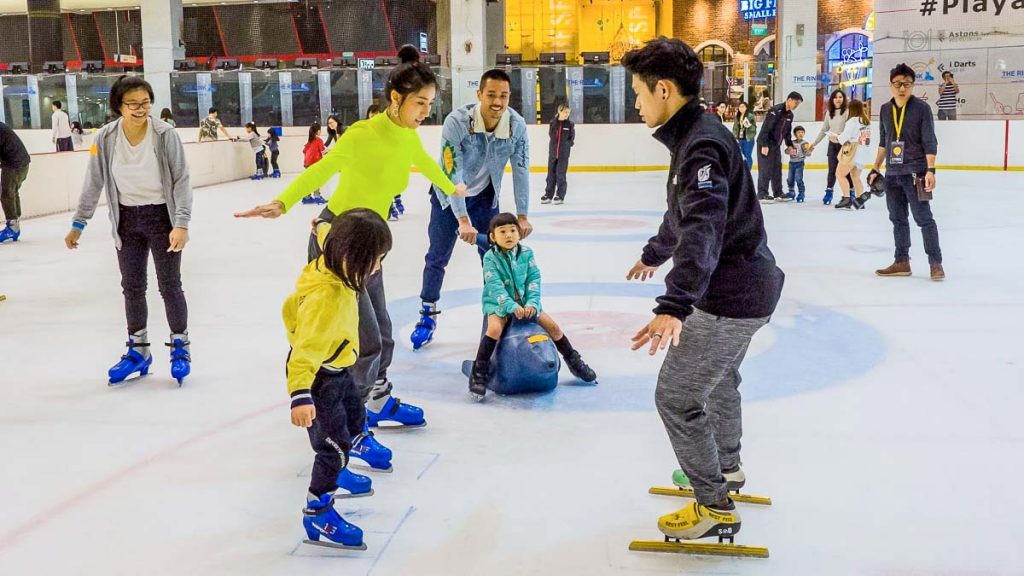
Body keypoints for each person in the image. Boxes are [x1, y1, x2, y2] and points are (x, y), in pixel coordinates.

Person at [235, 45, 467, 441]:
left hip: (368, 244)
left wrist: (452, 188)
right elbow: (323, 168)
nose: (426, 111)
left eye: (430, 103)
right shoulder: (363, 134)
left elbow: (426, 164)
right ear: (396, 99)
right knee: (358, 339)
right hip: (337, 240)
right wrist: (283, 201)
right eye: (420, 103)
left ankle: (375, 399)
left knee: (384, 334)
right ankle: (352, 423)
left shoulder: (408, 135)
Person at [621, 37, 784, 543]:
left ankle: (713, 504)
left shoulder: (702, 145)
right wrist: (654, 252)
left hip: (730, 296)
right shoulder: (695, 137)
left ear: (664, 89)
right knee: (719, 382)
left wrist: (675, 303)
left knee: (675, 396)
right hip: (745, 288)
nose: (636, 104)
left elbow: (705, 226)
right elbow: (684, 213)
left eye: (639, 94)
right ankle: (728, 469)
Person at [64, 76, 194, 386]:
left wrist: (181, 223)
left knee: (169, 285)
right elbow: (93, 182)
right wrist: (78, 224)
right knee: (132, 287)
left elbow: (182, 180)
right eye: (133, 104)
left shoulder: (165, 135)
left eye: (146, 103)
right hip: (125, 220)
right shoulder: (106, 138)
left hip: (162, 217)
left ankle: (180, 347)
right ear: (118, 106)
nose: (141, 109)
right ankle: (139, 351)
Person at [286, 208, 393, 551]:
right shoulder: (326, 298)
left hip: (338, 367)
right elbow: (304, 352)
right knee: (332, 449)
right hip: (317, 378)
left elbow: (325, 231)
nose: (378, 267)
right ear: (352, 256)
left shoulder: (335, 255)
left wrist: (320, 225)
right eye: (375, 259)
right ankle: (318, 509)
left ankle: (342, 468)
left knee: (356, 416)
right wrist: (300, 394)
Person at [409, 68, 532, 351]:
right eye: (491, 95)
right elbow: (453, 172)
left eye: (503, 96)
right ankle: (427, 315)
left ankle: (498, 313)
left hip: (486, 200)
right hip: (447, 198)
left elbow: (522, 170)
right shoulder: (458, 122)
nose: (497, 102)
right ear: (479, 95)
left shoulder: (516, 126)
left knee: (496, 258)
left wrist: (522, 215)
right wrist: (462, 219)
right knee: (437, 256)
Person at [468, 213, 597, 399]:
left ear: (519, 233)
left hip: (526, 303)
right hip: (498, 304)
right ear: (493, 237)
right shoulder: (490, 258)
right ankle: (479, 373)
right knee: (494, 328)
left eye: (513, 230)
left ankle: (574, 361)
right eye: (502, 231)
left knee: (553, 327)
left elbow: (533, 279)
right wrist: (511, 306)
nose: (509, 235)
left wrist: (532, 303)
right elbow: (494, 285)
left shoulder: (527, 254)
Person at [870, 63, 944, 281]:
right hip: (892, 174)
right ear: (891, 85)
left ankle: (935, 263)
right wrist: (875, 167)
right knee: (898, 219)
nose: (902, 88)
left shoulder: (921, 109)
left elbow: (930, 141)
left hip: (916, 173)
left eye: (907, 84)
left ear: (913, 85)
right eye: (898, 84)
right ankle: (901, 261)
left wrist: (930, 170)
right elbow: (884, 142)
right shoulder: (885, 109)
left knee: (924, 218)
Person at [755, 91, 802, 203]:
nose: (796, 106)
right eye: (796, 102)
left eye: (798, 104)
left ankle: (778, 193)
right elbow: (766, 129)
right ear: (789, 100)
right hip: (765, 143)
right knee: (765, 169)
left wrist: (790, 145)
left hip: (776, 145)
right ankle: (762, 194)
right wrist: (765, 145)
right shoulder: (775, 111)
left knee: (777, 168)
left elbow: (787, 133)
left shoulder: (790, 115)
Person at [809, 89, 852, 205]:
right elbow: (824, 129)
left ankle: (850, 193)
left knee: (845, 171)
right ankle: (829, 191)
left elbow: (850, 129)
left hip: (845, 146)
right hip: (832, 145)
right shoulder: (829, 113)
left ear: (844, 99)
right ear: (832, 99)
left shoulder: (847, 112)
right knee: (832, 170)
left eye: (840, 97)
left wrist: (841, 137)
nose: (838, 99)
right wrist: (815, 143)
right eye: (836, 97)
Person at [833, 100, 873, 210]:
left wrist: (835, 137)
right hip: (863, 152)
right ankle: (860, 201)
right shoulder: (865, 121)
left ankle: (846, 198)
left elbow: (844, 138)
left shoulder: (853, 121)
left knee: (840, 174)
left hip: (853, 152)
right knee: (855, 176)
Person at [0, 121, 31, 244]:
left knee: (6, 194)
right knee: (11, 192)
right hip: (20, 163)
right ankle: (15, 224)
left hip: (15, 164)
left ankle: (12, 226)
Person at [541, 103, 574, 205]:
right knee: (550, 175)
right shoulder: (553, 123)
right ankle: (548, 195)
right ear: (559, 111)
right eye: (565, 112)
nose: (567, 114)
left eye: (568, 113)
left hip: (563, 154)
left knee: (560, 175)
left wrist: (566, 145)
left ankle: (560, 195)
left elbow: (571, 138)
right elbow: (551, 135)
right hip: (553, 153)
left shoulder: (570, 124)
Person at [301, 123, 327, 204]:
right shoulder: (319, 140)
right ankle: (317, 196)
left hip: (307, 163)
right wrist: (330, 151)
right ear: (318, 130)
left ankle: (306, 197)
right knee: (316, 180)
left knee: (309, 180)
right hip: (315, 163)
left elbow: (304, 151)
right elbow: (323, 151)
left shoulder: (310, 140)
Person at [731, 101, 756, 170]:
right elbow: (735, 128)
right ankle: (742, 170)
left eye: (743, 107)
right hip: (740, 138)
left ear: (746, 108)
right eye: (740, 107)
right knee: (740, 155)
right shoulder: (738, 116)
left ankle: (748, 170)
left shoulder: (750, 116)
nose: (741, 108)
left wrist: (748, 125)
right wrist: (735, 136)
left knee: (747, 155)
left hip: (748, 139)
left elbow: (754, 128)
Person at [787, 126, 808, 203]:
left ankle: (801, 193)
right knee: (790, 179)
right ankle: (791, 192)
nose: (801, 134)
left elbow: (807, 153)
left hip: (800, 163)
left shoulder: (804, 143)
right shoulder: (791, 143)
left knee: (798, 178)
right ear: (795, 134)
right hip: (791, 163)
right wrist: (789, 151)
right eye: (799, 132)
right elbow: (786, 151)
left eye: (802, 132)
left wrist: (809, 151)